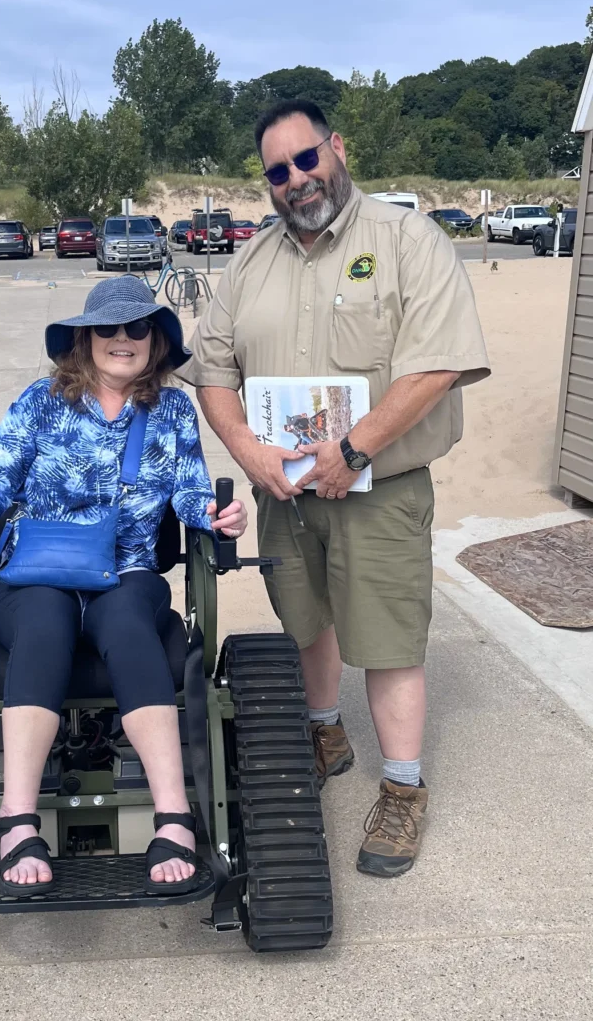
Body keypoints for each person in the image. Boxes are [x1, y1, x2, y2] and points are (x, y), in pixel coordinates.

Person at [180, 99, 490, 877]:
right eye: (277, 171)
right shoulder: (249, 263)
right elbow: (214, 370)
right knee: (304, 621)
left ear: (336, 148)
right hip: (286, 494)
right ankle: (326, 735)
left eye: (305, 159)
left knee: (386, 640)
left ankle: (403, 790)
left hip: (378, 488)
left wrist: (354, 449)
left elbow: (439, 364)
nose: (295, 180)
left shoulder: (407, 241)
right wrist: (248, 450)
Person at [0, 276, 248, 897]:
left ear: (154, 341)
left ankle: (174, 816)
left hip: (127, 574)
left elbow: (192, 489)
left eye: (136, 328)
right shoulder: (41, 401)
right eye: (108, 329)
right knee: (45, 622)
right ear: (84, 340)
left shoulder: (169, 410)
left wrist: (216, 517)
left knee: (127, 623)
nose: (122, 339)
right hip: (35, 575)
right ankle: (18, 820)